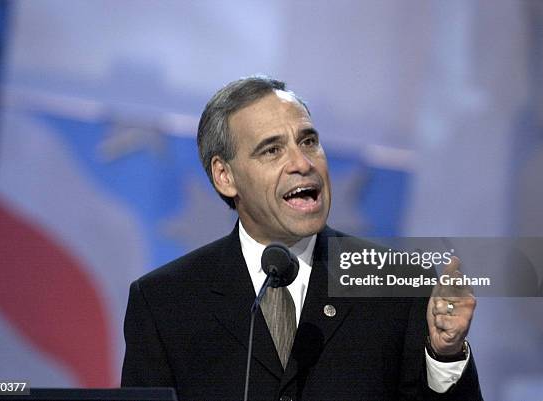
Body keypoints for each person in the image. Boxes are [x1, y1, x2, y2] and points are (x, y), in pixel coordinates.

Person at [121, 76, 483, 401]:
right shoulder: (164, 303)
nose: (302, 163)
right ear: (225, 176)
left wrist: (445, 356)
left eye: (308, 141)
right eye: (272, 150)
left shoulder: (398, 284)